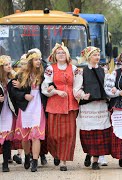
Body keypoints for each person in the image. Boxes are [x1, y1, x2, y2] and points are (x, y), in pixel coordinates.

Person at [41, 43, 80, 171]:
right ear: (54, 56)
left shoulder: (74, 68)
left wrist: (78, 93)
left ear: (67, 55)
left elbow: (78, 84)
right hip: (54, 102)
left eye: (63, 53)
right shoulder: (50, 69)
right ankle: (56, 153)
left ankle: (63, 161)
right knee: (53, 134)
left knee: (68, 134)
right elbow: (45, 86)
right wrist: (55, 91)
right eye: (58, 53)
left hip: (69, 104)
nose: (61, 55)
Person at [75, 46, 111, 170]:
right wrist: (83, 95)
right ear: (89, 57)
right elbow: (76, 89)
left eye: (98, 54)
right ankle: (89, 153)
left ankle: (95, 161)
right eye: (95, 55)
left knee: (100, 133)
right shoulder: (82, 72)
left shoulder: (103, 71)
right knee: (88, 133)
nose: (97, 57)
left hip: (101, 106)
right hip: (88, 107)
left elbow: (107, 86)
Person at [13, 51, 46, 172]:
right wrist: (24, 96)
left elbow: (50, 82)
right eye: (36, 59)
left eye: (39, 59)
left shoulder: (43, 73)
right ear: (30, 61)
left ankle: (35, 161)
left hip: (38, 106)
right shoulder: (21, 74)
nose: (38, 61)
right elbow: (14, 92)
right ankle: (27, 155)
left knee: (36, 135)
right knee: (25, 136)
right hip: (26, 107)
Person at [0, 55, 16, 172]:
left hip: (8, 110)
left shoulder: (13, 78)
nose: (9, 66)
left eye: (10, 64)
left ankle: (5, 163)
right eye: (6, 65)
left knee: (6, 138)